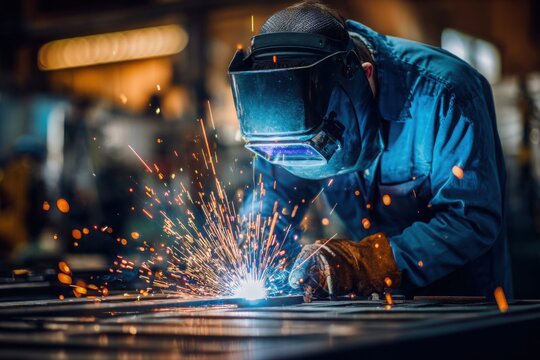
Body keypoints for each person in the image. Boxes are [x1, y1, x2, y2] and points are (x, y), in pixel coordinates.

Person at [228, 1, 511, 299]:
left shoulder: (444, 95)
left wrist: (367, 262)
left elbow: (471, 218)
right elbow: (272, 196)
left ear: (365, 75)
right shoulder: (282, 119)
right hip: (375, 308)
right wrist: (259, 244)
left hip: (463, 305)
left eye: (323, 141)